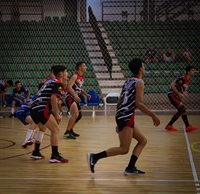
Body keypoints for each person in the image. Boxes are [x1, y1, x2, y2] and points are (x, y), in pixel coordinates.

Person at [87, 58, 160, 174]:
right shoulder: (139, 82)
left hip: (122, 115)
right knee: (124, 149)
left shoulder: (128, 81)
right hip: (127, 116)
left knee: (142, 141)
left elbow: (120, 100)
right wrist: (152, 115)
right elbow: (138, 104)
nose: (144, 68)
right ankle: (94, 157)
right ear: (141, 68)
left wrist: (118, 120)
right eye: (143, 66)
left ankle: (130, 168)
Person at [30, 65, 68, 163]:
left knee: (42, 128)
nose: (67, 74)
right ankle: (55, 156)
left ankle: (36, 152)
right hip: (41, 108)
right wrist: (56, 114)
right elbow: (53, 98)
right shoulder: (58, 83)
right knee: (55, 129)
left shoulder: (49, 82)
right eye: (66, 72)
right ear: (61, 74)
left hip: (34, 108)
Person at [165, 66, 198, 132]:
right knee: (182, 108)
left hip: (175, 94)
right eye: (192, 70)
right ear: (188, 72)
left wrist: (183, 92)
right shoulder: (183, 79)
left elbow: (180, 88)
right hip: (172, 94)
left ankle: (170, 125)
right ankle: (186, 126)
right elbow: (172, 85)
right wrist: (179, 94)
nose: (194, 72)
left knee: (182, 110)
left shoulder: (188, 80)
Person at [63, 62, 91, 140]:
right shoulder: (75, 76)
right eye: (84, 66)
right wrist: (75, 95)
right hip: (70, 97)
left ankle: (71, 130)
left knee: (79, 115)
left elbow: (79, 88)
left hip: (75, 97)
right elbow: (69, 87)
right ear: (79, 68)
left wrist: (85, 94)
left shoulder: (81, 77)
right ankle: (67, 132)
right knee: (75, 115)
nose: (86, 67)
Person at [16, 83, 44, 148]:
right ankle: (27, 140)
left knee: (36, 122)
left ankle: (30, 138)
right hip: (22, 111)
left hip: (25, 111)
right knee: (34, 122)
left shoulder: (39, 95)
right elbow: (30, 103)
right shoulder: (38, 96)